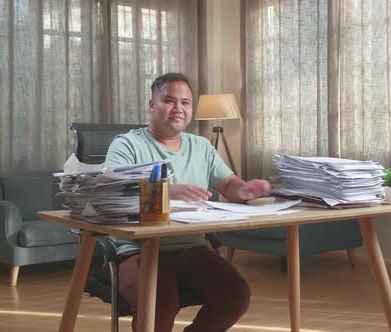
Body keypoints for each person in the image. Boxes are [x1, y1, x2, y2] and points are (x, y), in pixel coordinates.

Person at [105, 72, 271, 332]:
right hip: (140, 250)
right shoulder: (127, 144)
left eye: (185, 103)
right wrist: (166, 191)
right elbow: (111, 189)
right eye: (169, 101)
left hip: (190, 247)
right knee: (159, 303)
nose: (178, 109)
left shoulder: (201, 146)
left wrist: (245, 189)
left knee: (235, 295)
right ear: (152, 105)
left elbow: (228, 184)